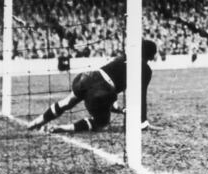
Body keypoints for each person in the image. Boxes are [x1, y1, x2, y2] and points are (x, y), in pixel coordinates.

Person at [27, 39, 158, 133]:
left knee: (67, 102)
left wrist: (120, 109)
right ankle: (63, 128)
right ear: (151, 55)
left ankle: (37, 122)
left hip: (87, 77)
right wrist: (143, 121)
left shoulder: (124, 57)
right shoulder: (145, 70)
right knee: (102, 123)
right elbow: (141, 96)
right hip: (102, 91)